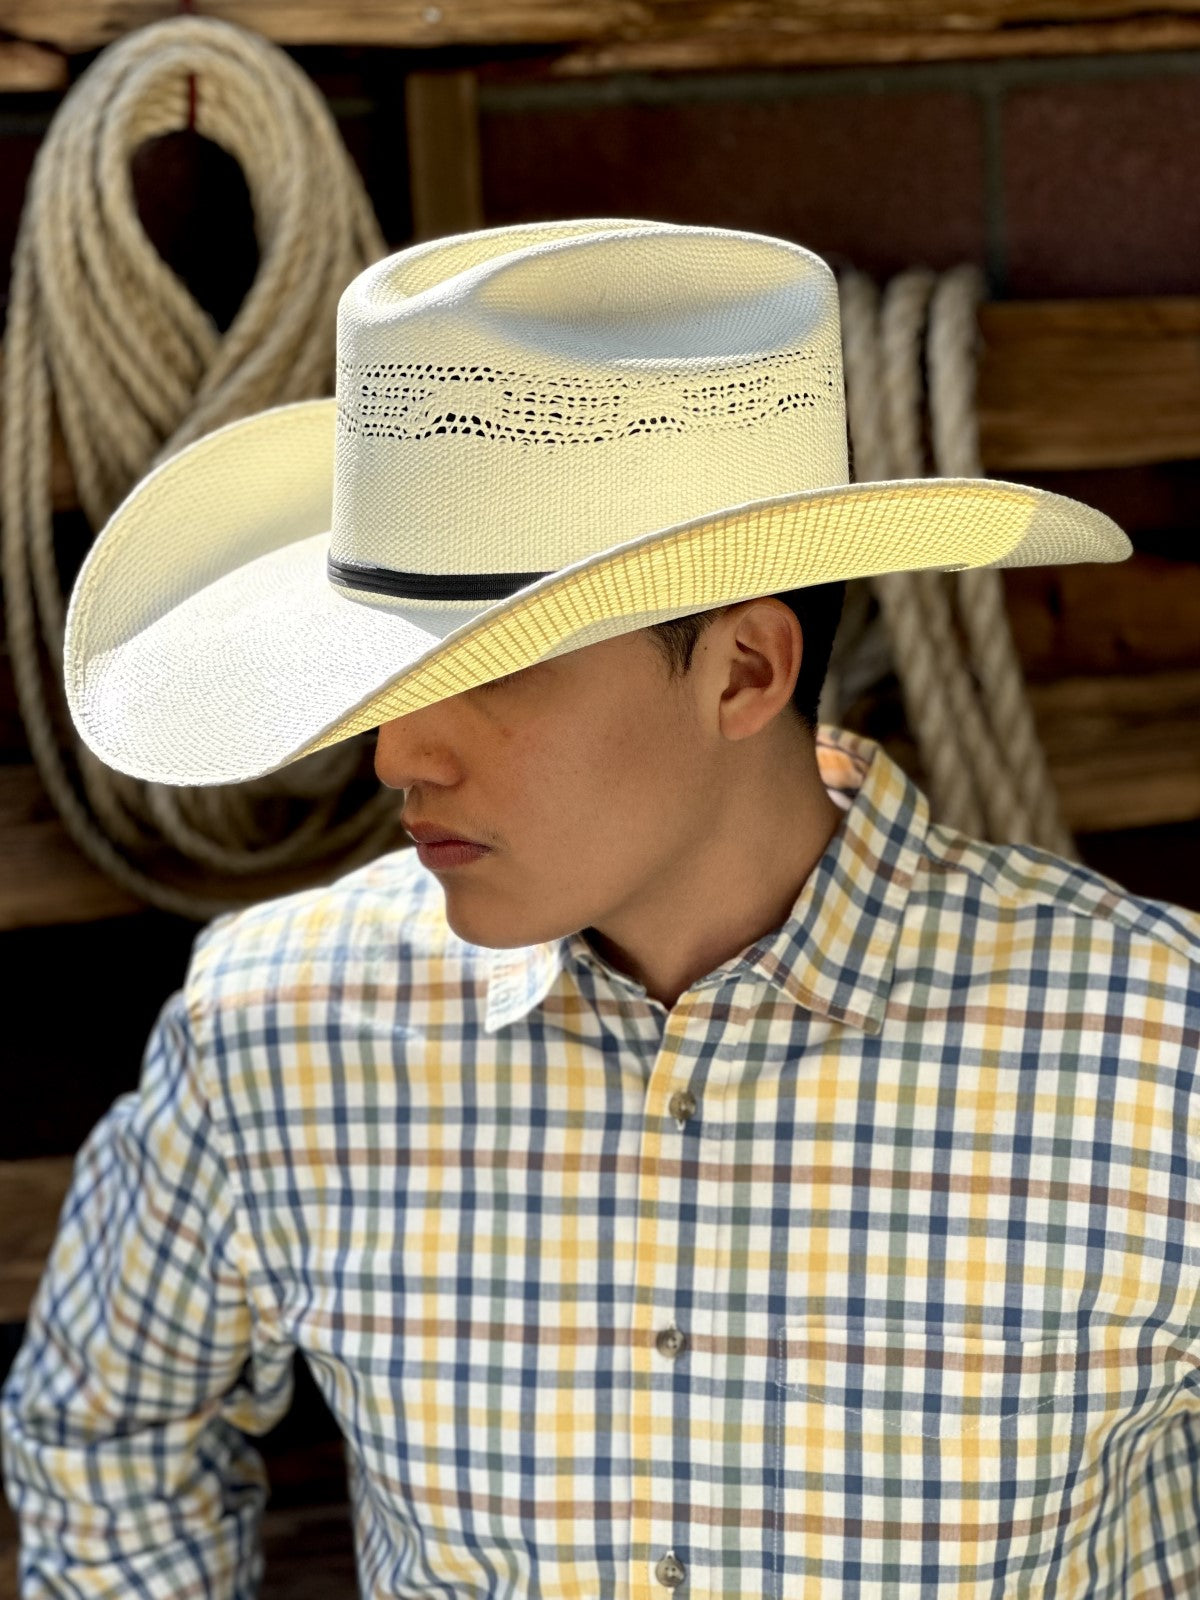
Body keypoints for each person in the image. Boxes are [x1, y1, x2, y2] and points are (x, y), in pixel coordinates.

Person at [3, 217, 1198, 1599]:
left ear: (744, 671)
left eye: (490, 668)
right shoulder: (277, 1031)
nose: (396, 754)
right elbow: (104, 1432)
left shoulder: (1156, 1053)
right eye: (386, 675)